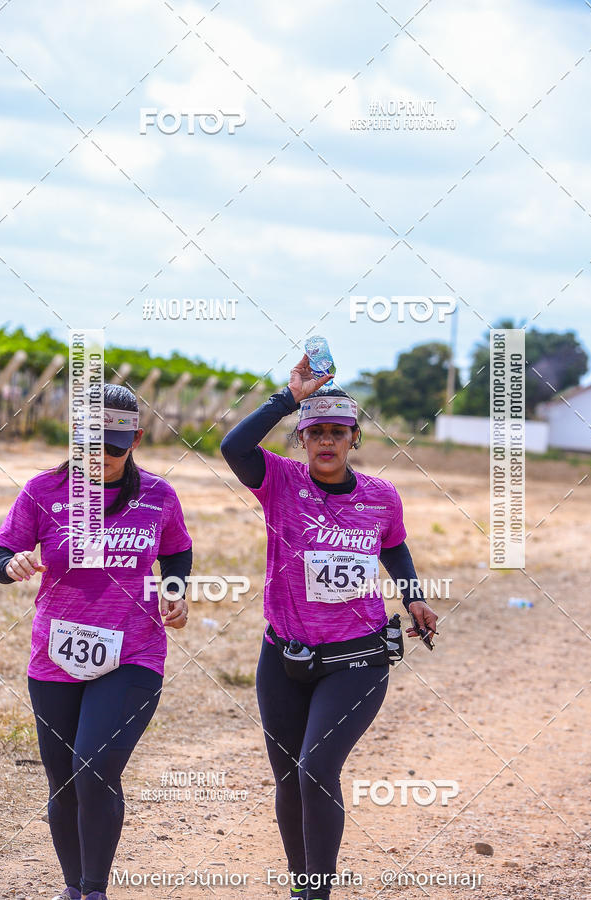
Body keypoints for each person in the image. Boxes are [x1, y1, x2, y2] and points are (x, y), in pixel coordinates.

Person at [221, 355, 438, 900]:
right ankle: (303, 886)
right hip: (284, 657)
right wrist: (288, 396)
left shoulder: (381, 496)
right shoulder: (280, 481)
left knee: (316, 768)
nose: (326, 441)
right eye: (315, 431)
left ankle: (317, 893)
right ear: (300, 437)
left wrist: (413, 598)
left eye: (337, 432)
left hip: (357, 659)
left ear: (353, 438)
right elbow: (232, 448)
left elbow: (393, 545)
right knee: (290, 778)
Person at [0, 384, 193, 900]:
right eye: (93, 444)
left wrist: (175, 592)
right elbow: (3, 550)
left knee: (93, 765)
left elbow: (176, 553)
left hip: (134, 654)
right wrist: (9, 563)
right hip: (54, 655)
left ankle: (95, 890)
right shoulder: (42, 492)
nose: (104, 456)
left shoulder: (158, 495)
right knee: (62, 781)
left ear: (136, 439)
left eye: (116, 445)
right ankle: (72, 888)